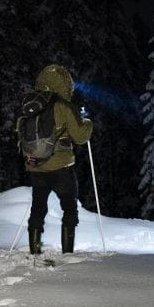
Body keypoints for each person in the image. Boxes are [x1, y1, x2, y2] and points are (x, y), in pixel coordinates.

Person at [24, 64, 92, 255]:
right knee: (69, 209)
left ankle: (35, 250)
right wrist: (87, 123)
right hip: (61, 167)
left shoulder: (30, 105)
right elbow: (80, 136)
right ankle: (67, 251)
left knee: (38, 209)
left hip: (35, 166)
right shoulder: (63, 106)